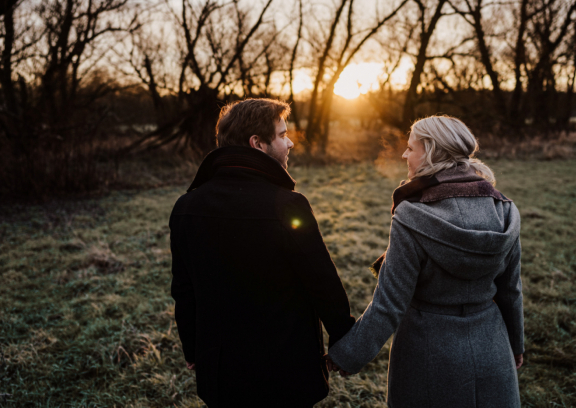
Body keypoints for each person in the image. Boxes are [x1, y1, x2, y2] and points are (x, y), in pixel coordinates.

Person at [325, 115, 524, 407]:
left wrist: (347, 354)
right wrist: (516, 346)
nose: (405, 155)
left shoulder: (411, 216)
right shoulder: (503, 209)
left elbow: (389, 303)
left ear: (431, 152)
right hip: (491, 350)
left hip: (427, 354)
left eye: (410, 148)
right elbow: (511, 291)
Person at [169, 98, 355, 408]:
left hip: (221, 370)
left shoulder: (186, 207)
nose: (290, 142)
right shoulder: (287, 206)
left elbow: (183, 290)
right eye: (282, 135)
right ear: (258, 144)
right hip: (286, 371)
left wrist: (193, 349)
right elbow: (322, 283)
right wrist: (344, 342)